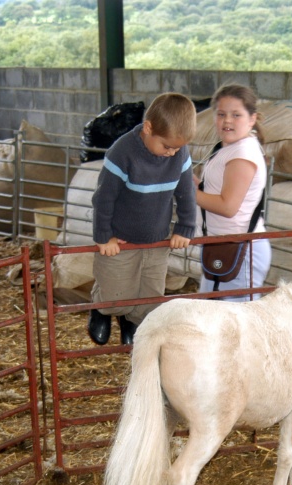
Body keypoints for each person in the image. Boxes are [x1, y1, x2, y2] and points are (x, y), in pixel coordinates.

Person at [87, 92, 197, 345]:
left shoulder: (179, 154)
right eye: (167, 146)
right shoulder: (122, 153)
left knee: (150, 295)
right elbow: (104, 198)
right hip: (120, 239)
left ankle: (131, 321)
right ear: (148, 128)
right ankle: (101, 307)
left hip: (157, 238)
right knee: (117, 289)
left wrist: (185, 227)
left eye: (177, 148)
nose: (171, 153)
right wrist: (104, 236)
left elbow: (186, 192)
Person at [194, 84, 269, 301]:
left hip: (241, 251)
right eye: (221, 114)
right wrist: (195, 185)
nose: (227, 120)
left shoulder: (242, 154)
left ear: (252, 119)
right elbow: (218, 191)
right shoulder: (230, 148)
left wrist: (188, 194)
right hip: (225, 246)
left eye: (236, 115)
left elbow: (228, 206)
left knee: (236, 326)